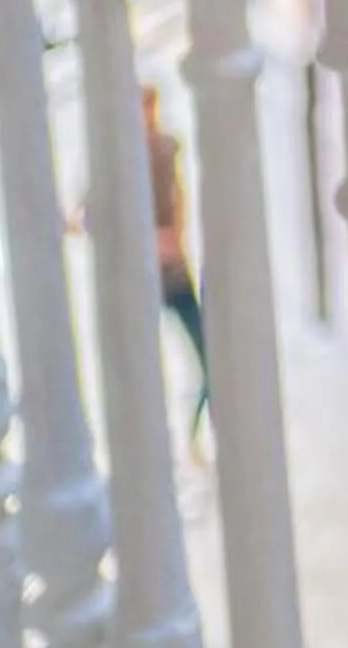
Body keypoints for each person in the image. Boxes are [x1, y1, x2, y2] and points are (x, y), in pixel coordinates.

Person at [141, 84, 211, 445]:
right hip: (147, 276)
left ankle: (194, 437)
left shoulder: (165, 150)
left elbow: (178, 203)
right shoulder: (126, 159)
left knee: (208, 358)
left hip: (173, 273)